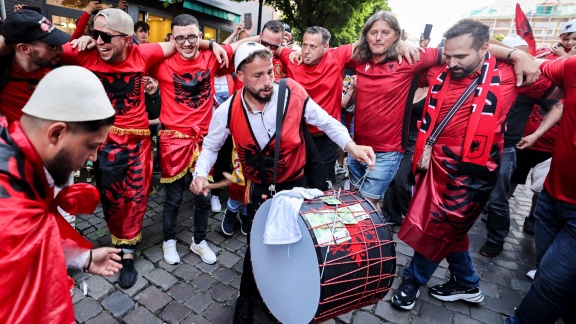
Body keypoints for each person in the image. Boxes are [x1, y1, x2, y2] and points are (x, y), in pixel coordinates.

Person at [190, 42, 375, 324]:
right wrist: (200, 174)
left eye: (269, 73)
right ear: (240, 76)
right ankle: (246, 297)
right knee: (258, 247)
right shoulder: (226, 110)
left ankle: (290, 298)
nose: (267, 82)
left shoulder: (294, 94)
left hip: (296, 185)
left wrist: (351, 145)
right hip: (259, 191)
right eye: (258, 76)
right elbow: (210, 147)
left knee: (299, 245)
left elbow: (326, 122)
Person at [391, 19, 553, 311]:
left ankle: (412, 280)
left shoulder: (509, 74)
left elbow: (560, 92)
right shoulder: (441, 70)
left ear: (484, 49)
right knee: (454, 229)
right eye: (449, 55)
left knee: (439, 227)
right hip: (433, 165)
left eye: (461, 56)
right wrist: (402, 43)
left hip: (472, 171)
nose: (452, 62)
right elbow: (403, 54)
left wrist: (518, 55)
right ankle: (466, 282)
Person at [58, 8, 177, 289]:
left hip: (138, 143)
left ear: (127, 40)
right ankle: (117, 242)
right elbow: (46, 50)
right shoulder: (86, 54)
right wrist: (82, 35)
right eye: (96, 36)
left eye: (106, 36)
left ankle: (128, 255)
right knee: (113, 200)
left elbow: (176, 45)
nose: (100, 42)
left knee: (135, 198)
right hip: (106, 145)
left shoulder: (143, 54)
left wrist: (210, 44)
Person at [0, 65, 122, 323]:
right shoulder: (11, 216)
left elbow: (42, 232)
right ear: (56, 133)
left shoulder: (18, 153)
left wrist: (83, 257)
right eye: (91, 145)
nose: (93, 157)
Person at [148, 13, 240, 265]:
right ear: (171, 39)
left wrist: (213, 45)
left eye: (192, 37)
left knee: (203, 197)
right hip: (173, 140)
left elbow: (245, 45)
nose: (186, 43)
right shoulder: (162, 63)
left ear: (199, 36)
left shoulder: (213, 58)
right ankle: (169, 241)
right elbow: (135, 52)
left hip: (203, 140)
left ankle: (199, 241)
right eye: (180, 38)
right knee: (173, 198)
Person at [506, 49, 576, 324]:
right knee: (552, 274)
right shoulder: (572, 67)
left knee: (550, 283)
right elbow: (529, 64)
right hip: (552, 199)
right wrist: (515, 53)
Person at [479, 34, 562, 257]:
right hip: (475, 144)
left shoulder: (524, 78)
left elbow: (557, 107)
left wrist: (536, 134)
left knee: (498, 198)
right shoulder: (485, 70)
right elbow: (482, 37)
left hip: (504, 148)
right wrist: (516, 52)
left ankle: (496, 238)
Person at [277, 26, 352, 190]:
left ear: (326, 47)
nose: (306, 51)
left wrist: (401, 45)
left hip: (324, 139)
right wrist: (289, 49)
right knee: (297, 186)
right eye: (304, 45)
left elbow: (367, 44)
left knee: (321, 186)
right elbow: (273, 47)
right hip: (298, 138)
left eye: (312, 46)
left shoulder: (336, 57)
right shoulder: (293, 59)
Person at [0, 9, 70, 124]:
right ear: (24, 48)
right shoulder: (4, 69)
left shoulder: (60, 68)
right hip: (11, 139)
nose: (61, 50)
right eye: (52, 45)